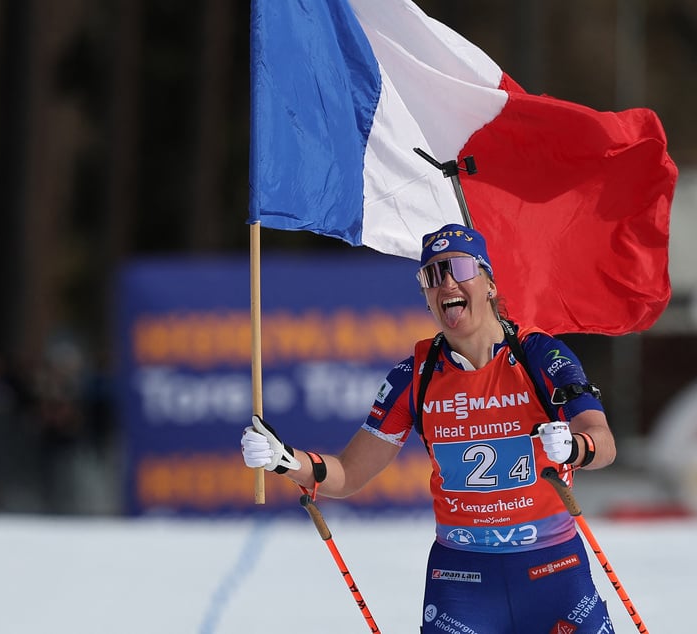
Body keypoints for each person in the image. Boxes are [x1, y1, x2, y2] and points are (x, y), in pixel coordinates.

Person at [242, 223, 619, 633]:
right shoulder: (415, 376)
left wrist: (575, 447)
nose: (446, 283)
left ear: (489, 283)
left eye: (458, 267)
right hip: (462, 580)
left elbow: (603, 442)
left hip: (553, 567)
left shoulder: (539, 355)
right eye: (431, 276)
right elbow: (348, 474)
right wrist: (283, 459)